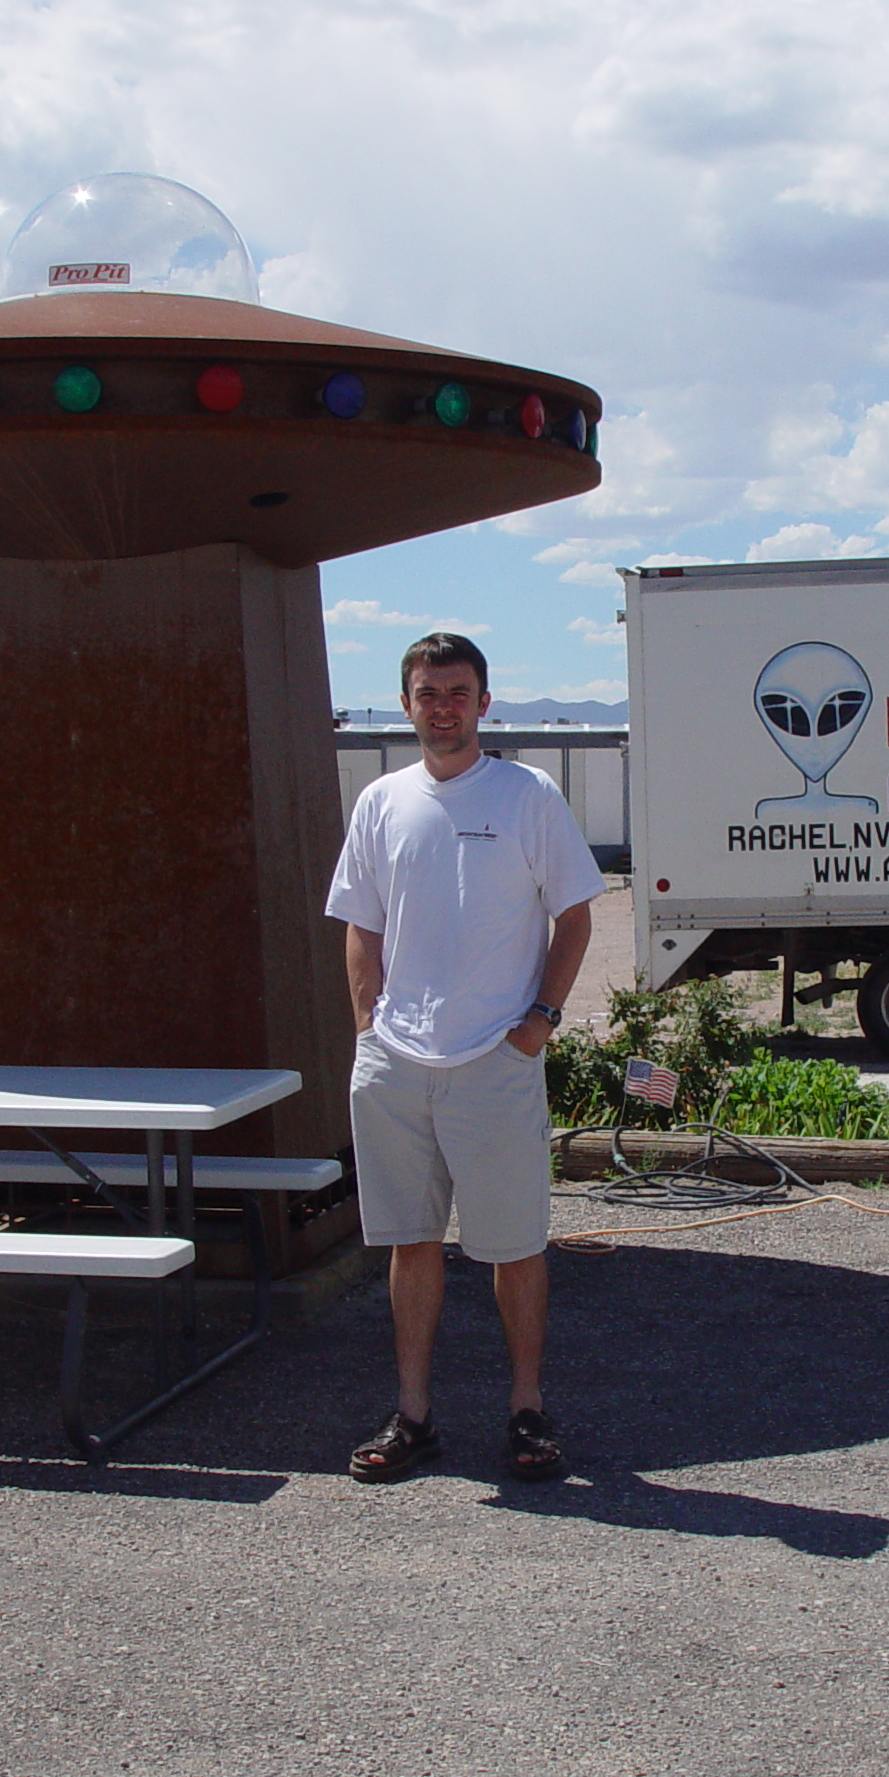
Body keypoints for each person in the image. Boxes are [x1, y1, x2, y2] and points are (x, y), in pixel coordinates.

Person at [325, 632, 603, 1483]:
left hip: (495, 1059)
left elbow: (578, 915)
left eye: (457, 691)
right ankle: (413, 1417)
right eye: (426, 691)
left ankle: (527, 1411)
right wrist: (368, 1024)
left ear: (484, 703)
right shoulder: (381, 802)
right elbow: (359, 925)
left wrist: (539, 1023)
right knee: (411, 1244)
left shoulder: (528, 795)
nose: (441, 705)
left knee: (514, 1248)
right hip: (396, 1065)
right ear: (406, 704)